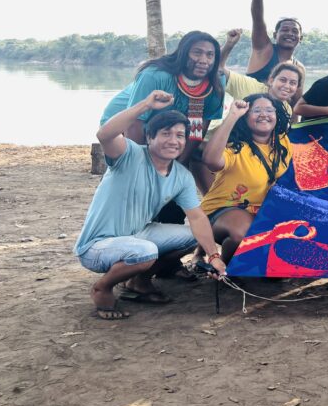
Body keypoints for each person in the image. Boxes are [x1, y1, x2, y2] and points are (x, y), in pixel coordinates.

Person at [75, 91, 226, 320]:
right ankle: (102, 287)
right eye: (166, 133)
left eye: (180, 135)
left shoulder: (181, 176)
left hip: (139, 234)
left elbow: (196, 218)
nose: (174, 140)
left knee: (195, 236)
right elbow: (105, 134)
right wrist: (145, 105)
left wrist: (214, 255)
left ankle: (139, 280)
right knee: (146, 251)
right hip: (97, 245)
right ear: (149, 137)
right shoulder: (129, 154)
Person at [201, 95, 291, 263]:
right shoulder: (236, 148)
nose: (264, 114)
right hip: (222, 209)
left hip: (261, 210)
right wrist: (233, 115)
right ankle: (226, 266)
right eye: (256, 110)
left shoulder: (283, 142)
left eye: (269, 110)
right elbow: (210, 160)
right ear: (245, 117)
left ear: (277, 115)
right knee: (243, 234)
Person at [101, 31, 225, 152]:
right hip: (120, 127)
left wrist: (180, 164)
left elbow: (199, 127)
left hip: (164, 130)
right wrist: (141, 163)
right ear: (183, 54)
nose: (204, 60)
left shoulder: (216, 83)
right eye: (197, 53)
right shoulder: (154, 75)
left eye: (210, 55)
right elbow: (134, 124)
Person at [219, 28, 305, 110]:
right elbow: (219, 69)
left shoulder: (286, 108)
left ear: (297, 88)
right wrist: (229, 44)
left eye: (292, 83)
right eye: (282, 80)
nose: (287, 86)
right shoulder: (248, 86)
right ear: (271, 80)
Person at [246, 0, 304, 83]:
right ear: (275, 35)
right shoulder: (264, 50)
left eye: (295, 31)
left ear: (300, 38)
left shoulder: (299, 68)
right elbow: (257, 20)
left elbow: (298, 99)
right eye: (285, 30)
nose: (290, 34)